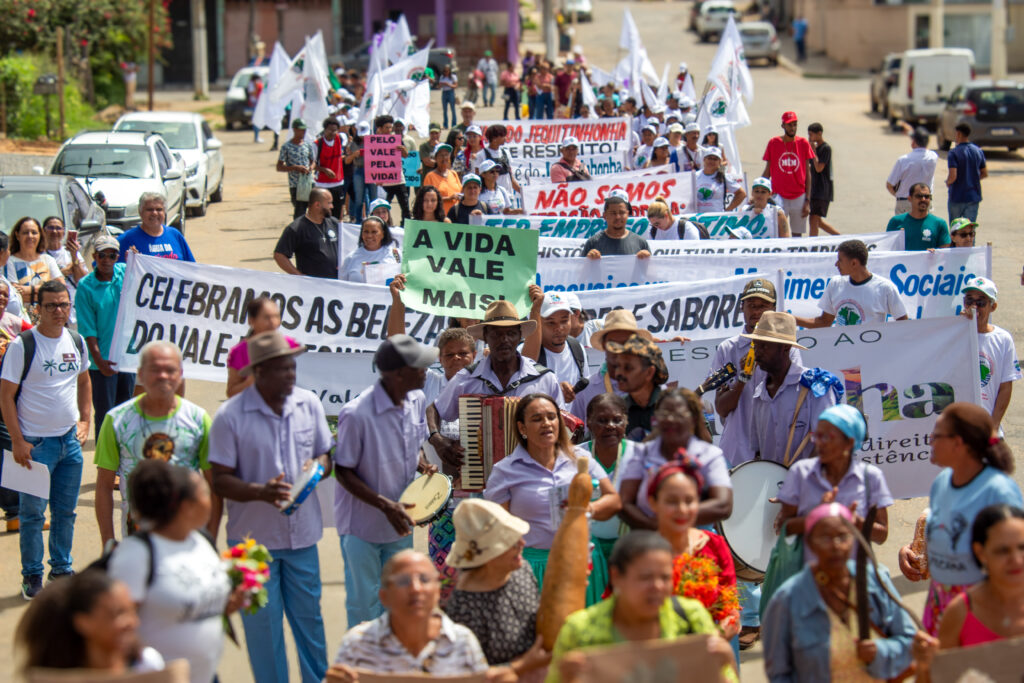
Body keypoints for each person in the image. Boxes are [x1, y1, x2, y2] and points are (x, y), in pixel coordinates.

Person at [209, 331, 332, 683]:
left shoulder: (308, 403)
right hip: (253, 546)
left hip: (303, 539)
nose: (291, 375)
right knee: (263, 633)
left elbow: (326, 452)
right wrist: (260, 491)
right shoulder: (229, 417)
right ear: (258, 372)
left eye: (293, 367)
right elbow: (219, 479)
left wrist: (319, 468)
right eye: (282, 369)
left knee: (311, 626)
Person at [333, 335, 437, 626]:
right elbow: (343, 471)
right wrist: (385, 505)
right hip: (362, 529)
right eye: (419, 367)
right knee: (365, 606)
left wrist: (422, 463)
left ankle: (397, 667)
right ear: (398, 374)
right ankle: (365, 669)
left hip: (400, 524)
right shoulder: (356, 414)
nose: (425, 371)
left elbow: (412, 442)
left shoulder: (416, 399)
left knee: (401, 603)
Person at [107, 459, 242, 683]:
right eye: (204, 493)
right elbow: (115, 631)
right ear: (185, 506)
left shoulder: (202, 541)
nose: (212, 498)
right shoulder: (135, 557)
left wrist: (226, 604)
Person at [897, 402, 1023, 635]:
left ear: (958, 443)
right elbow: (946, 534)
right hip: (940, 604)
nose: (929, 441)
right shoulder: (942, 483)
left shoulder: (998, 492)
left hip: (985, 611)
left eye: (936, 436)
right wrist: (913, 553)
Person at [484, 393, 620, 604]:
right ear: (522, 428)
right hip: (533, 568)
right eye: (537, 419)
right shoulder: (505, 471)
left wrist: (587, 510)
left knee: (588, 633)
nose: (546, 423)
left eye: (551, 417)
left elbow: (613, 500)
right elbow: (496, 529)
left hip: (583, 563)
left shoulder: (581, 459)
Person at [1, 280, 90, 599]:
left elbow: (84, 380)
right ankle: (32, 577)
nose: (59, 311)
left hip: (69, 444)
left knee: (66, 512)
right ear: (37, 308)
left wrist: (85, 419)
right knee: (32, 515)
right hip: (33, 446)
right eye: (51, 305)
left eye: (64, 304)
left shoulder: (76, 340)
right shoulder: (22, 344)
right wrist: (18, 441)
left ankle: (62, 569)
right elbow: (6, 397)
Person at [546, 531, 733, 683]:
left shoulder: (691, 617)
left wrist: (725, 664)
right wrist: (565, 677)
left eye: (665, 577)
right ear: (616, 576)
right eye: (645, 577)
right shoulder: (580, 631)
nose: (657, 586)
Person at [763, 503, 916, 681]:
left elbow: (909, 641)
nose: (835, 546)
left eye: (843, 537)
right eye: (825, 538)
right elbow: (778, 672)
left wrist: (880, 651)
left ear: (853, 539)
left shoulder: (874, 582)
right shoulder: (788, 598)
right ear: (810, 543)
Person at [95, 340, 219, 547]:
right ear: (140, 374)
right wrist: (108, 542)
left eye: (170, 369)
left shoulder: (199, 419)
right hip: (136, 541)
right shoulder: (116, 420)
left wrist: (211, 539)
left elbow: (214, 486)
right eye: (155, 369)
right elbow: (104, 486)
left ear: (180, 375)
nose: (162, 375)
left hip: (188, 540)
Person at [428, 299, 564, 468]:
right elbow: (434, 409)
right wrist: (437, 439)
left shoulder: (544, 378)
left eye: (510, 333)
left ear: (520, 335)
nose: (504, 340)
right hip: (482, 478)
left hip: (533, 476)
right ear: (485, 336)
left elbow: (563, 426)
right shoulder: (466, 379)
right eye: (496, 334)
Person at [325, 550, 489, 680]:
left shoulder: (462, 642)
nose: (416, 589)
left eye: (424, 579)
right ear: (384, 596)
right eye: (403, 581)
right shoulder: (358, 644)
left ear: (438, 591)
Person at [913, 504, 1024, 679]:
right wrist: (925, 666)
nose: (1016, 560)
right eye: (1003, 550)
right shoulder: (961, 613)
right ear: (980, 553)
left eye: (1022, 547)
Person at [444, 500, 551, 678]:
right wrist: (523, 665)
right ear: (488, 556)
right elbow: (469, 675)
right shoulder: (464, 608)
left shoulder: (521, 569)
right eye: (512, 542)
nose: (523, 544)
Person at [775, 404, 893, 549]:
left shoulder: (871, 477)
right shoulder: (800, 472)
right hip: (809, 568)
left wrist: (855, 522)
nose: (819, 443)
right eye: (816, 435)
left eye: (826, 437)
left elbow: (882, 536)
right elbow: (783, 527)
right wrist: (818, 515)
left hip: (856, 570)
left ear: (849, 442)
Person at [648, 459, 740, 638]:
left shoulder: (714, 545)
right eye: (671, 501)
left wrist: (716, 637)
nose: (682, 509)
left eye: (689, 501)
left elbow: (731, 611)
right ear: (653, 503)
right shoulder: (639, 550)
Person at [619, 388, 733, 530]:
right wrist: (655, 527)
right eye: (665, 413)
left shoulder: (710, 455)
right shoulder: (640, 453)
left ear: (693, 419)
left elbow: (723, 505)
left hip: (697, 544)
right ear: (655, 419)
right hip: (649, 541)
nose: (671, 419)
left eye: (678, 414)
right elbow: (624, 503)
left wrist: (672, 519)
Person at [14, 569, 163, 676]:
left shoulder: (147, 664)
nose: (133, 622)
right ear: (82, 622)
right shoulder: (51, 677)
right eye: (119, 613)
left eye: (132, 611)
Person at [744, 311, 837, 464]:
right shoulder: (759, 394)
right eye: (756, 346)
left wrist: (802, 478)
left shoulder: (816, 386)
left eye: (764, 346)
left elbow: (829, 440)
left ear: (785, 347)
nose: (757, 353)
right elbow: (758, 451)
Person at [75, 235, 134, 435]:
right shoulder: (85, 286)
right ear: (94, 257)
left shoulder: (126, 272)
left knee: (127, 411)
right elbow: (87, 329)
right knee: (106, 414)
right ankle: (105, 462)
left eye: (112, 255)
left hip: (127, 358)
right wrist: (99, 361)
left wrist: (138, 261)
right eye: (102, 255)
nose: (107, 260)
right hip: (101, 362)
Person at [794, 239, 909, 328]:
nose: (836, 264)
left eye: (840, 260)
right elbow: (824, 322)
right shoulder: (835, 284)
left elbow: (904, 325)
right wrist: (792, 319)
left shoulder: (885, 288)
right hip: (841, 354)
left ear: (854, 263)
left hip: (873, 355)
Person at [960, 277, 1019, 429]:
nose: (974, 306)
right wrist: (959, 326)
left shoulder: (1003, 339)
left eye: (981, 302)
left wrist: (993, 426)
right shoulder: (955, 335)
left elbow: (1005, 386)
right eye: (969, 300)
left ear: (993, 307)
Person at [605, 333, 671, 440]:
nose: (619, 373)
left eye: (628, 368)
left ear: (649, 372)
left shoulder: (675, 408)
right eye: (618, 366)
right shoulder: (616, 412)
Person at [762, 111, 816, 236]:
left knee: (797, 234)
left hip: (799, 196)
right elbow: (767, 171)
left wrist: (807, 200)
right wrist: (760, 189)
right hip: (778, 196)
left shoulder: (803, 143)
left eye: (795, 125)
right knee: (778, 233)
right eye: (789, 125)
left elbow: (808, 174)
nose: (792, 128)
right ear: (783, 126)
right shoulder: (774, 143)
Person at [529, 291, 589, 402]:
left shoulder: (578, 349)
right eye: (551, 323)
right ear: (539, 323)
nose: (559, 328)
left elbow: (585, 395)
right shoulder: (525, 352)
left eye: (564, 321)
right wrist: (554, 392)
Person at [4, 217, 65, 315]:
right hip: (23, 319)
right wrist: (48, 293)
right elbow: (15, 294)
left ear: (40, 235)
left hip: (49, 317)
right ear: (17, 235)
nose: (30, 236)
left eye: (34, 232)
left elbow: (61, 287)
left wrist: (30, 290)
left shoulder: (48, 259)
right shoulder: (10, 261)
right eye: (25, 233)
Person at [273, 187, 339, 279]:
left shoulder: (334, 223)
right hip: (312, 288)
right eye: (329, 203)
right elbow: (279, 255)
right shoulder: (296, 228)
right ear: (317, 205)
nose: (332, 206)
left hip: (335, 285)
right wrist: (299, 276)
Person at [227, 297, 286, 398]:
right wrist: (250, 382)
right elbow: (231, 392)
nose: (273, 322)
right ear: (251, 321)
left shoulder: (286, 347)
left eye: (276, 316)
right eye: (266, 317)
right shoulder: (240, 352)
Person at [116, 192, 196, 262]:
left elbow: (192, 268)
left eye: (159, 209)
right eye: (149, 209)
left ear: (164, 212)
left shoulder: (175, 235)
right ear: (140, 211)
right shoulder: (126, 239)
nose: (154, 213)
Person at [582, 191, 651, 259]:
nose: (617, 217)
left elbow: (652, 270)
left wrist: (647, 261)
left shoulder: (641, 243)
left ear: (627, 214)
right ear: (605, 215)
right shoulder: (592, 243)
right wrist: (587, 261)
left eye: (622, 212)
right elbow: (579, 269)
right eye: (613, 213)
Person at [886, 127, 938, 215]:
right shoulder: (933, 157)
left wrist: (898, 195)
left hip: (905, 201)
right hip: (925, 201)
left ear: (913, 142)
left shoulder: (903, 160)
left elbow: (889, 185)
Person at [885, 182, 951, 251]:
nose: (923, 199)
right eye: (919, 196)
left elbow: (945, 253)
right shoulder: (896, 222)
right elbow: (887, 248)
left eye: (927, 197)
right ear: (910, 198)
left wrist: (936, 253)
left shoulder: (939, 224)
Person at [946, 123, 987, 222]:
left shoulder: (953, 153)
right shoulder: (978, 151)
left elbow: (953, 176)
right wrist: (973, 179)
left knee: (955, 230)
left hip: (957, 196)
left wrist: (948, 182)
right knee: (969, 231)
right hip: (973, 196)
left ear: (959, 134)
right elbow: (984, 173)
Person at [276, 118, 317, 219]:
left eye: (304, 130)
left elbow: (313, 161)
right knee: (300, 212)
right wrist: (295, 168)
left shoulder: (307, 145)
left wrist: (310, 168)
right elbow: (279, 166)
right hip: (296, 185)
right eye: (301, 130)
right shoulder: (287, 147)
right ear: (294, 130)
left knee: (315, 209)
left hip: (309, 182)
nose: (303, 132)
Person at [339, 216, 399, 282]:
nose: (369, 236)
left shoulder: (395, 254)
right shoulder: (350, 258)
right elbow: (342, 286)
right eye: (366, 232)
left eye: (374, 232)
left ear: (383, 234)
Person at [806, 122, 839, 236]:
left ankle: (813, 246)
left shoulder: (825, 148)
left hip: (822, 190)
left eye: (811, 135)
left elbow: (819, 167)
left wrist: (814, 151)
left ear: (819, 133)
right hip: (814, 189)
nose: (810, 138)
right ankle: (840, 237)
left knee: (814, 219)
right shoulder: (812, 149)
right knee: (817, 221)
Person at [41, 215, 87, 294]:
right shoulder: (40, 256)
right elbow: (40, 282)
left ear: (64, 232)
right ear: (43, 231)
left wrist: (74, 257)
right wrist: (62, 272)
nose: (54, 231)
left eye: (58, 228)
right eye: (50, 228)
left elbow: (83, 280)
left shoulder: (71, 252)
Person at [474, 124, 522, 198]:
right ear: (494, 138)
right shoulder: (481, 155)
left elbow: (510, 177)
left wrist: (521, 191)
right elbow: (477, 178)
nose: (505, 138)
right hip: (490, 197)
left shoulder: (506, 152)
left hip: (508, 196)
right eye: (503, 136)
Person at [314, 116, 346, 220]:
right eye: (330, 130)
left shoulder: (340, 139)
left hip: (338, 183)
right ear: (324, 130)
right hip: (322, 184)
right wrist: (324, 170)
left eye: (335, 130)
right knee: (322, 212)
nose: (332, 133)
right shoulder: (317, 144)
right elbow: (312, 164)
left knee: (337, 212)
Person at [695, 147, 745, 213]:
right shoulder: (695, 176)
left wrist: (728, 211)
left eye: (715, 159)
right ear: (704, 159)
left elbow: (741, 194)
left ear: (720, 162)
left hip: (716, 220)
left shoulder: (723, 177)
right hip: (697, 219)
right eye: (709, 158)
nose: (712, 161)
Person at [424, 143, 464, 215]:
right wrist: (448, 198)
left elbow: (460, 191)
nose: (444, 157)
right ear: (435, 158)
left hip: (456, 216)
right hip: (439, 217)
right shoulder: (430, 176)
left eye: (446, 155)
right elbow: (427, 199)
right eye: (441, 155)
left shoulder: (453, 174)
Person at [344, 121, 368, 222]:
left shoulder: (375, 142)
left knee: (371, 197)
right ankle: (358, 220)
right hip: (358, 170)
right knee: (359, 197)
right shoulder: (354, 143)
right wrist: (354, 155)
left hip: (372, 171)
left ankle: (369, 218)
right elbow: (347, 160)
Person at [248, 73, 264, 142]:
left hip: (259, 103)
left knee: (259, 120)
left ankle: (257, 136)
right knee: (256, 120)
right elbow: (253, 93)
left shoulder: (259, 83)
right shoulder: (251, 84)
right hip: (254, 104)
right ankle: (256, 137)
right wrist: (256, 87)